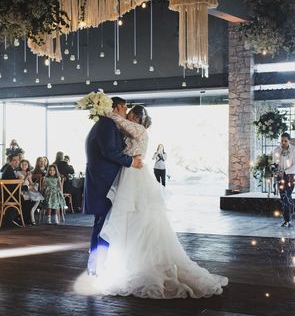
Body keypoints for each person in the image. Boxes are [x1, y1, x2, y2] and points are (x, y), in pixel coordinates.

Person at [93, 104, 228, 299]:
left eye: (130, 114)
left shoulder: (139, 130)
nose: (127, 116)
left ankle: (142, 263)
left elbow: (119, 122)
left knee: (141, 216)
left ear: (138, 118)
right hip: (129, 174)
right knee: (133, 219)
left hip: (135, 176)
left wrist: (106, 110)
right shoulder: (133, 130)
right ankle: (130, 261)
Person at [84, 97, 142, 275]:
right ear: (119, 107)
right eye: (125, 109)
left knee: (103, 225)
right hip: (104, 183)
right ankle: (97, 266)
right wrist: (131, 161)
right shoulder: (107, 124)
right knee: (104, 225)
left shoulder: (105, 125)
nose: (126, 113)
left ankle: (97, 265)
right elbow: (109, 151)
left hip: (102, 182)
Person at [273, 132, 295, 228]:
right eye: (282, 141)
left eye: (285, 141)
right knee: (283, 197)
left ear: (289, 141)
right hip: (280, 177)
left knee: (286, 196)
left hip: (290, 177)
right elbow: (274, 163)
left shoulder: (294, 150)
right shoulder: (277, 149)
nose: (283, 143)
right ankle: (289, 217)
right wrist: (276, 170)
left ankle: (288, 219)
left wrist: (285, 172)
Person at [18, 159, 43, 225]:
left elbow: (31, 183)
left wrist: (36, 183)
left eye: (25, 164)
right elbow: (21, 183)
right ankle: (30, 217)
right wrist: (26, 176)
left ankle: (32, 212)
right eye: (22, 164)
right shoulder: (18, 173)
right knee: (32, 198)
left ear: (28, 166)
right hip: (23, 189)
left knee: (38, 197)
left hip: (29, 189)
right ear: (20, 165)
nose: (24, 165)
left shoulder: (29, 173)